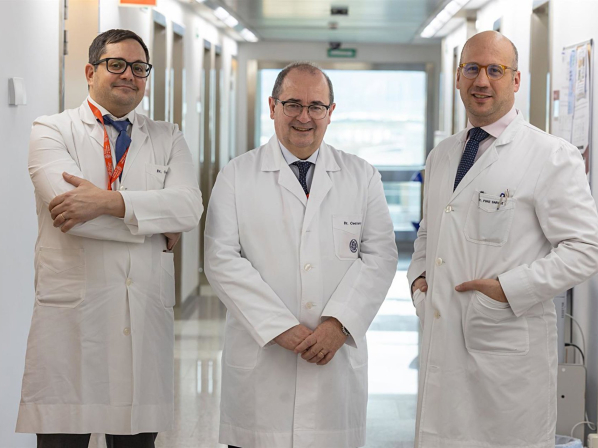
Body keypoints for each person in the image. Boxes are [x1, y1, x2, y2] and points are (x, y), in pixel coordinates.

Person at [408, 30, 598, 448]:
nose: (482, 81)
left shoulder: (550, 155)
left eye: (495, 70)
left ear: (515, 80)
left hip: (506, 356)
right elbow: (430, 230)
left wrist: (507, 290)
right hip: (442, 342)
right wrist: (418, 279)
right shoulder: (443, 155)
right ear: (458, 77)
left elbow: (586, 249)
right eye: (472, 69)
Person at [16, 29, 202, 448]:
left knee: (136, 440)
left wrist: (106, 202)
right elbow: (71, 215)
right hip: (72, 323)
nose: (129, 75)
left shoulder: (167, 136)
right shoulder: (51, 131)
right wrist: (153, 222)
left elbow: (190, 208)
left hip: (142, 315)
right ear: (90, 71)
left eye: (139, 68)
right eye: (116, 64)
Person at [204, 62, 398, 448]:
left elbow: (380, 256)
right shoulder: (236, 175)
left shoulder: (362, 176)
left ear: (331, 112)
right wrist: (278, 327)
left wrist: (338, 325)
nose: (304, 117)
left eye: (316, 106)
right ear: (272, 107)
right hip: (262, 365)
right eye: (293, 104)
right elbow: (221, 259)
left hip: (335, 364)